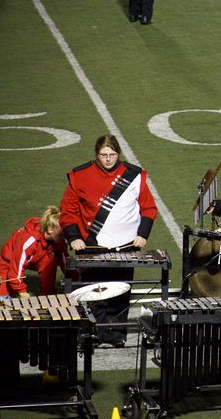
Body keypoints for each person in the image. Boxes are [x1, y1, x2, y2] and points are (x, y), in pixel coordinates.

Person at [60, 134, 158, 347]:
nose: (108, 159)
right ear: (96, 155)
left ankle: (115, 335)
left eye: (112, 155)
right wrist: (74, 237)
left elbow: (149, 208)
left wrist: (143, 234)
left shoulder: (134, 175)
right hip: (91, 246)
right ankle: (92, 334)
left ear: (118, 154)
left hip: (125, 246)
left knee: (120, 290)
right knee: (92, 290)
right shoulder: (81, 175)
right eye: (103, 155)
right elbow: (68, 210)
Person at [0, 207, 67, 301]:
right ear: (50, 229)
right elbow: (16, 266)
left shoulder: (59, 239)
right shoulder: (29, 240)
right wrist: (22, 291)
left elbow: (65, 261)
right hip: (10, 260)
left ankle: (48, 294)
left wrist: (72, 278)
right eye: (62, 235)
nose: (64, 238)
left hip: (36, 257)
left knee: (50, 261)